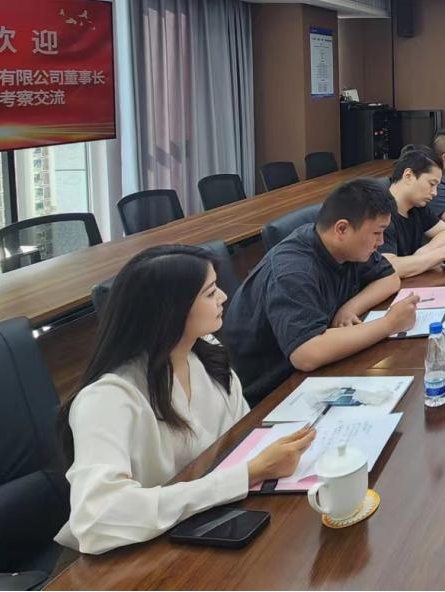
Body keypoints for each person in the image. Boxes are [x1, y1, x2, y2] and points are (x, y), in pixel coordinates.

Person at [56, 245, 316, 554]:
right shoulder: (107, 399)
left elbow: (243, 439)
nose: (223, 297)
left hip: (204, 527)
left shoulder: (207, 353)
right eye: (210, 293)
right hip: (129, 555)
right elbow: (97, 518)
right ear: (171, 310)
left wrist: (262, 465)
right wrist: (248, 474)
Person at [220, 179, 419, 404]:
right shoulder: (293, 270)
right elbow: (306, 353)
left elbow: (389, 278)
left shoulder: (346, 246)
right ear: (341, 229)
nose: (381, 242)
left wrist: (350, 308)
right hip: (272, 392)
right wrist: (389, 324)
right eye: (377, 232)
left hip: (317, 371)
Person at [381, 149, 445, 278]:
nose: (435, 193)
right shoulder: (379, 211)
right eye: (432, 184)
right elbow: (389, 267)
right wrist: (440, 254)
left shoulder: (417, 206)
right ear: (408, 176)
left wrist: (421, 255)